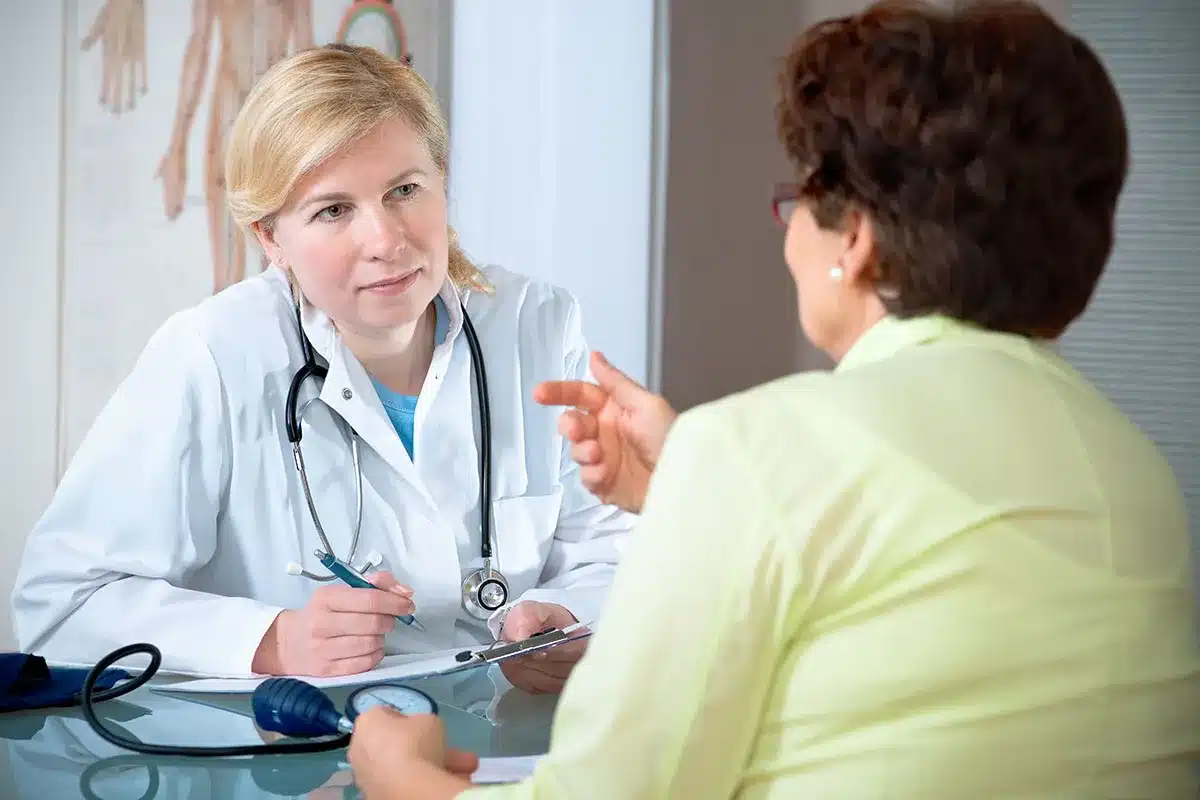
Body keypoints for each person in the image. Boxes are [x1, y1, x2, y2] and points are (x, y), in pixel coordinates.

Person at [344, 2, 1200, 797]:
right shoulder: (1133, 466)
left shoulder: (760, 452)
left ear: (854, 241)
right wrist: (697, 489)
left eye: (798, 201)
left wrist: (403, 779)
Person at [10, 43, 634, 692]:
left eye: (405, 190)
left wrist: (569, 617)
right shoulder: (214, 355)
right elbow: (62, 604)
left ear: (442, 180)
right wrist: (272, 639)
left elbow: (611, 553)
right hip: (290, 771)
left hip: (506, 758)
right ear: (271, 238)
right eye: (334, 210)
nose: (386, 241)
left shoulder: (537, 324)